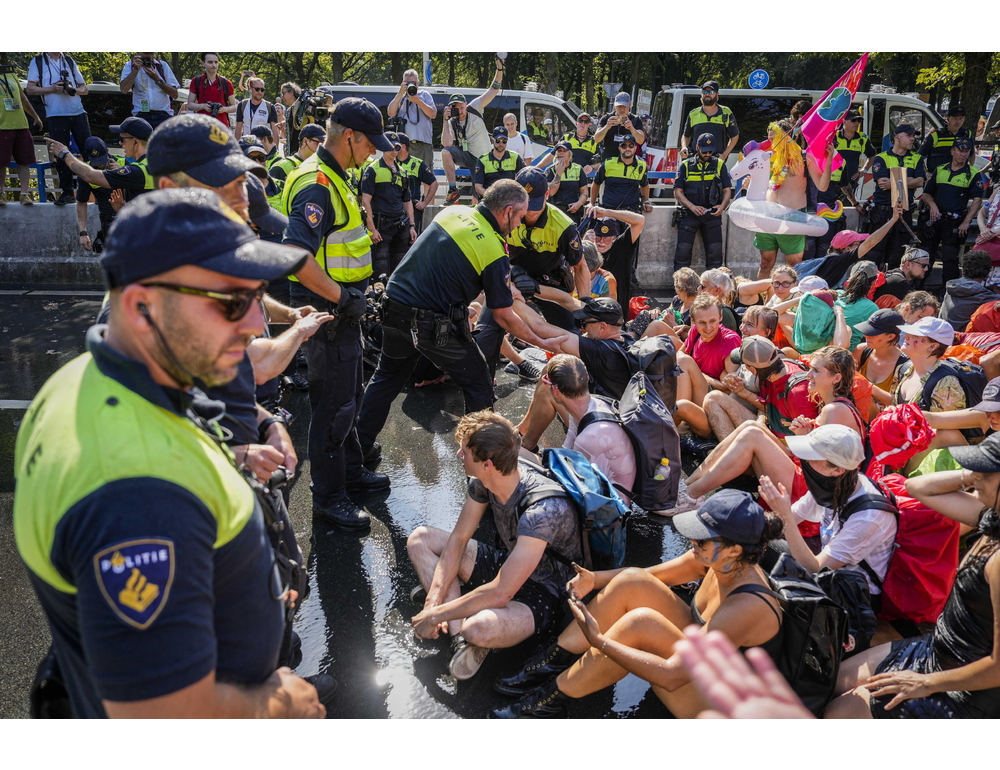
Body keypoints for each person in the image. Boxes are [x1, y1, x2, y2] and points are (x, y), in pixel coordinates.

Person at [12, 187, 330, 719]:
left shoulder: (91, 375)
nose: (256, 324)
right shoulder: (136, 493)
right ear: (142, 307)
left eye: (257, 297)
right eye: (232, 302)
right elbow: (160, 719)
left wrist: (261, 425)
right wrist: (278, 706)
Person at [491, 489, 784, 719]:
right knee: (632, 581)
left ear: (733, 550)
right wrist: (594, 579)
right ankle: (550, 664)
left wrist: (600, 641)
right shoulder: (719, 561)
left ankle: (546, 704)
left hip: (724, 705)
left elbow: (672, 675)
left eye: (701, 540)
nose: (692, 543)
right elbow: (646, 577)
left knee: (640, 624)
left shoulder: (746, 606)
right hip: (703, 662)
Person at [354, 180, 565, 465]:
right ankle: (484, 464)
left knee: (386, 379)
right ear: (507, 211)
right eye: (519, 217)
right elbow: (503, 315)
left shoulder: (452, 213)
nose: (517, 226)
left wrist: (462, 304)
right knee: (478, 381)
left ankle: (356, 452)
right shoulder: (493, 249)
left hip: (393, 307)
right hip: (429, 323)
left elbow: (444, 269)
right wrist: (541, 342)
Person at [825, 434, 1000, 718]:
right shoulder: (990, 517)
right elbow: (918, 487)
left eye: (986, 471)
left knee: (838, 713)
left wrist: (924, 683)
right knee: (828, 681)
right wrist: (974, 473)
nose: (977, 477)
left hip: (966, 685)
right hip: (938, 647)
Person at [281, 98, 394, 531]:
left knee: (351, 395)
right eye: (371, 144)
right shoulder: (318, 185)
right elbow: (295, 255)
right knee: (332, 406)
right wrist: (342, 298)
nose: (374, 152)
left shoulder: (335, 176)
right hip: (328, 312)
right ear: (350, 136)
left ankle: (349, 473)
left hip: (342, 311)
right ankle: (329, 498)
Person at [407, 412, 581, 680]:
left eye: (464, 452)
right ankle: (458, 638)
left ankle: (464, 621)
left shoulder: (542, 512)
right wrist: (432, 606)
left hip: (546, 592)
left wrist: (435, 614)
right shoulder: (483, 482)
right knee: (420, 539)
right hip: (509, 562)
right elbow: (458, 539)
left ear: (487, 463)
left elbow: (501, 591)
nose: (458, 455)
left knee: (478, 628)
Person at [758, 424, 897, 601]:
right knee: (754, 542)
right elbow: (788, 519)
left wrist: (784, 514)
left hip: (853, 597)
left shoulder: (869, 518)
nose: (803, 461)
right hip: (830, 574)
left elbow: (814, 568)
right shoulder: (833, 486)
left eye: (810, 457)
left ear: (837, 470)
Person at [524, 354, 636, 502]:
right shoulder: (589, 405)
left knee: (516, 467)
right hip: (597, 485)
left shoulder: (590, 438)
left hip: (609, 509)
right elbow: (567, 451)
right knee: (518, 455)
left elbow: (575, 484)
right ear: (587, 379)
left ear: (556, 391)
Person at [754, 120, 835, 278]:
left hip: (792, 219)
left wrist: (829, 161)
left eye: (773, 139)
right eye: (769, 139)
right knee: (765, 262)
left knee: (793, 265)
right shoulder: (766, 157)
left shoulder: (804, 158)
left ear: (787, 137)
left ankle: (788, 300)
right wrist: (748, 183)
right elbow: (760, 184)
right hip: (767, 217)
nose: (770, 143)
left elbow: (822, 187)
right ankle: (761, 300)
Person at [26, 52, 91, 205]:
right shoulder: (38, 61)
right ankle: (67, 192)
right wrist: (52, 89)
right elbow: (30, 89)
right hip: (56, 114)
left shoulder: (68, 60)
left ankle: (94, 188)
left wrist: (74, 90)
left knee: (88, 151)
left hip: (78, 112)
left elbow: (85, 89)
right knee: (61, 153)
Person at [919, 138, 984, 286]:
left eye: (966, 151)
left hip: (954, 222)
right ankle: (917, 287)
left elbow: (977, 200)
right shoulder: (940, 169)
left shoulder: (973, 173)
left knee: (950, 259)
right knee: (925, 254)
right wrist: (933, 206)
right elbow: (926, 194)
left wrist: (966, 222)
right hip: (934, 220)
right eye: (960, 151)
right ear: (952, 151)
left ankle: (948, 292)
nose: (963, 154)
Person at [45, 117, 154, 204]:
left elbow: (89, 175)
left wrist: (64, 154)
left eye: (122, 139)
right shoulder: (157, 164)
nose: (120, 143)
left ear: (136, 142)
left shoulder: (140, 170)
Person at [441, 57, 506, 204]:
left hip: (482, 158)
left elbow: (494, 89)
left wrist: (499, 69)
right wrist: (445, 121)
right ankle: (453, 189)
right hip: (467, 155)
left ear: (465, 104)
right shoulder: (452, 121)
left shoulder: (475, 106)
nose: (460, 111)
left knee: (478, 194)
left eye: (461, 107)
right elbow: (447, 143)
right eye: (455, 108)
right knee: (445, 152)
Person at [865, 124, 926, 270]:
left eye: (913, 136)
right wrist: (907, 181)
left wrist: (894, 182)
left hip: (904, 213)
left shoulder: (917, 158)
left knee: (898, 255)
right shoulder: (881, 157)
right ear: (897, 137)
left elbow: (920, 181)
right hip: (882, 213)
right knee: (875, 253)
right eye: (909, 136)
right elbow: (882, 183)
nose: (912, 139)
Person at [673, 132, 733, 272]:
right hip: (689, 214)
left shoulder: (719, 165)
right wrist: (692, 207)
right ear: (697, 147)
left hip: (712, 214)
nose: (708, 154)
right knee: (683, 253)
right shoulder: (686, 165)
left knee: (715, 255)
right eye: (705, 151)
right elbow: (677, 192)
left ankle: (713, 290)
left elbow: (727, 190)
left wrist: (722, 206)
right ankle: (680, 290)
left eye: (710, 151)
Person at [362, 131, 416, 278]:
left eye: (397, 148)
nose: (393, 151)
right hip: (381, 228)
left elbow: (407, 201)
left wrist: (412, 226)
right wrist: (371, 228)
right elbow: (365, 201)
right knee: (380, 266)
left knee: (400, 265)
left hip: (401, 226)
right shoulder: (372, 170)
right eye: (390, 147)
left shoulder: (403, 172)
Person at [894, 316, 965, 413]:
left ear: (932, 346)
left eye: (916, 335)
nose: (906, 335)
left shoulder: (946, 383)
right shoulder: (902, 369)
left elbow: (943, 426)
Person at [582, 208, 644, 309]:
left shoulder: (621, 247)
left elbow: (640, 220)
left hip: (616, 311)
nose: (601, 242)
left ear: (614, 237)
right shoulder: (587, 249)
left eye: (606, 238)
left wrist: (607, 212)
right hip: (589, 308)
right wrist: (585, 244)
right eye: (598, 237)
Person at [0, 65, 43, 205]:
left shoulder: (11, 75)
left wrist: (35, 116)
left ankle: (24, 194)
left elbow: (23, 99)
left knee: (24, 162)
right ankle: (1, 193)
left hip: (21, 125)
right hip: (1, 126)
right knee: (1, 163)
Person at [681, 293, 741, 390]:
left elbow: (728, 388)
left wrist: (695, 372)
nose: (708, 328)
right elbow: (680, 353)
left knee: (683, 362)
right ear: (693, 320)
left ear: (720, 316)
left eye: (712, 321)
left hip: (714, 392)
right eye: (702, 322)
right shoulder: (695, 331)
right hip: (694, 382)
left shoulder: (730, 340)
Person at [75, 137, 124, 252]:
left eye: (102, 161)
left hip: (129, 215)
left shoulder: (124, 162)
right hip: (108, 220)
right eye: (96, 162)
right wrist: (83, 232)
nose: (101, 166)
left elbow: (139, 190)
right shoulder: (86, 173)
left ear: (107, 151)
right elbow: (81, 202)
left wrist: (121, 173)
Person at [854, 308, 909, 410]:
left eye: (872, 333)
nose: (865, 335)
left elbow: (900, 404)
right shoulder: (861, 351)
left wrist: (866, 386)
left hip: (884, 420)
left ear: (891, 337)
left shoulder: (905, 365)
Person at [387, 68, 437, 169]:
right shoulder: (400, 97)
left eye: (414, 82)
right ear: (403, 83)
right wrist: (401, 93)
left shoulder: (425, 95)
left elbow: (433, 114)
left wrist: (418, 101)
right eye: (409, 82)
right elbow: (390, 113)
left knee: (426, 176)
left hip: (424, 144)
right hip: (404, 145)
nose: (412, 85)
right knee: (404, 175)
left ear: (418, 83)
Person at [590, 132, 650, 215]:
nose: (627, 149)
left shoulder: (642, 166)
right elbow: (596, 183)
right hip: (609, 211)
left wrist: (646, 201)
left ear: (635, 148)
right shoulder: (608, 163)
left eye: (631, 146)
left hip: (631, 212)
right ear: (619, 148)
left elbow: (645, 185)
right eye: (624, 146)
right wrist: (592, 203)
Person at [680, 81, 739, 162]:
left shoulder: (726, 112)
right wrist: (684, 147)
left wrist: (724, 155)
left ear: (717, 94)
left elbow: (734, 136)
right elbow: (686, 135)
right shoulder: (693, 113)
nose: (707, 94)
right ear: (701, 94)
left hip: (717, 160)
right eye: (705, 92)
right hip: (696, 160)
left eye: (711, 92)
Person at [268, 122, 323, 206]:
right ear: (305, 141)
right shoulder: (282, 167)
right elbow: (271, 199)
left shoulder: (321, 166)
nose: (322, 146)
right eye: (319, 142)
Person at [120, 53, 180, 129]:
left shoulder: (162, 66)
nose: (148, 56)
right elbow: (124, 90)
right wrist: (135, 70)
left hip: (163, 115)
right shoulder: (130, 65)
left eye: (151, 53)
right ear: (139, 53)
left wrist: (157, 79)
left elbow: (175, 94)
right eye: (145, 53)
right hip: (141, 115)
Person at [941, 249, 996, 331]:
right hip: (961, 339)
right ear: (987, 274)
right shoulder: (984, 296)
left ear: (963, 270)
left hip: (941, 333)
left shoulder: (950, 288)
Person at [394, 132, 438, 233]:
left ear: (403, 146)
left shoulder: (417, 163)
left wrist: (424, 203)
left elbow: (434, 183)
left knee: (411, 239)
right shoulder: (391, 162)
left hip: (413, 209)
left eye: (396, 146)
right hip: (394, 207)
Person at [473, 126, 525, 200]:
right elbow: (478, 187)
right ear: (492, 140)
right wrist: (491, 197)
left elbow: (525, 178)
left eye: (504, 141)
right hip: (490, 200)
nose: (501, 144)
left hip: (509, 200)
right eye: (498, 141)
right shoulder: (483, 160)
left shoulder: (515, 157)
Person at [918, 104, 973, 173]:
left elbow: (972, 154)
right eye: (955, 118)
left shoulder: (967, 135)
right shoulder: (936, 135)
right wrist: (925, 173)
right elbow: (919, 156)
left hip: (959, 176)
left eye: (961, 119)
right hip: (937, 177)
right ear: (948, 118)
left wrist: (970, 169)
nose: (958, 122)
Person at [186, 53, 236, 128]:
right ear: (203, 63)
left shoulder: (226, 83)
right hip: (202, 126)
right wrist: (203, 106)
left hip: (221, 127)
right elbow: (189, 105)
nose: (214, 65)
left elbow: (234, 107)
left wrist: (224, 109)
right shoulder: (196, 81)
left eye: (216, 62)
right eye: (210, 62)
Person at [594, 91, 647, 161]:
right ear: (615, 105)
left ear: (630, 104)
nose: (622, 109)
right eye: (619, 106)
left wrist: (631, 128)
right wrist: (607, 126)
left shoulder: (635, 119)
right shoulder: (606, 118)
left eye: (624, 106)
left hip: (628, 162)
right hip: (609, 161)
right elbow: (597, 139)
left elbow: (640, 140)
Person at [545, 140, 589, 223]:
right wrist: (558, 174)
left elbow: (584, 192)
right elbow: (551, 193)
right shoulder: (550, 170)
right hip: (555, 211)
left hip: (573, 212)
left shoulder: (578, 169)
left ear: (570, 153)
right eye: (559, 151)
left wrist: (578, 204)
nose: (561, 153)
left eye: (564, 151)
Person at [234, 77, 279, 145]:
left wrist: (275, 150)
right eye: (257, 89)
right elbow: (238, 127)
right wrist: (237, 148)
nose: (260, 92)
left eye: (262, 90)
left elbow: (275, 131)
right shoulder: (242, 105)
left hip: (264, 146)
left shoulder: (269, 106)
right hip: (247, 145)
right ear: (250, 89)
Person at [278, 82, 302, 155]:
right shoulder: (288, 111)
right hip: (292, 152)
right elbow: (290, 136)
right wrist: (284, 130)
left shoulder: (303, 108)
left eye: (283, 94)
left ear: (291, 92)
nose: (282, 97)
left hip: (303, 152)